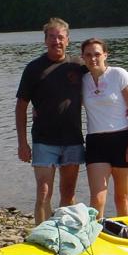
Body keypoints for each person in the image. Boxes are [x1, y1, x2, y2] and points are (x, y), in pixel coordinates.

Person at [15, 17, 86, 224]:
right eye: (52, 37)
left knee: (68, 193)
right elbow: (21, 106)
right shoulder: (34, 68)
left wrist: (124, 108)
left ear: (68, 40)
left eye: (61, 37)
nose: (57, 41)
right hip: (44, 140)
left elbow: (102, 86)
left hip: (73, 139)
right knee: (44, 192)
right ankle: (42, 236)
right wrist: (22, 143)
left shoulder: (79, 66)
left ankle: (65, 235)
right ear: (45, 40)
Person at [81, 38, 128, 219]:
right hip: (96, 142)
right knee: (97, 199)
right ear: (83, 58)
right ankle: (95, 239)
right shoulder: (82, 80)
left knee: (122, 199)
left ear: (105, 55)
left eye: (97, 54)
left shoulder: (119, 74)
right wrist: (39, 107)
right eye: (88, 55)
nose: (93, 58)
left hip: (123, 140)